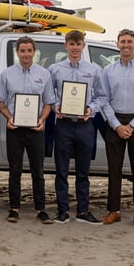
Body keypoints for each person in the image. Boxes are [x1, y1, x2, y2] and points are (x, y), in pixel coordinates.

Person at [48, 30, 107, 224]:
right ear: (65, 46)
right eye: (71, 44)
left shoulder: (94, 70)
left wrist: (91, 109)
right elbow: (49, 95)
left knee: (83, 171)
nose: (74, 48)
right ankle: (62, 211)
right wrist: (57, 106)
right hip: (63, 125)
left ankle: (83, 211)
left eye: (78, 44)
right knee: (61, 171)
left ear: (83, 46)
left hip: (84, 125)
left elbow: (102, 96)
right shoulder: (55, 69)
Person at [0, 36, 55, 224]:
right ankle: (14, 209)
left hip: (36, 129)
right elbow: (1, 103)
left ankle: (41, 209)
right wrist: (9, 117)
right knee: (15, 170)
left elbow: (48, 103)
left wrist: (42, 120)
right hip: (14, 128)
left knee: (38, 170)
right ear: (17, 52)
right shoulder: (7, 74)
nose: (26, 54)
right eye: (22, 50)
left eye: (29, 50)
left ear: (34, 51)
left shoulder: (44, 74)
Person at [101, 28, 134, 228]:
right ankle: (113, 210)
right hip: (114, 122)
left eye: (129, 41)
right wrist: (116, 125)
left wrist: (131, 125)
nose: (126, 45)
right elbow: (104, 99)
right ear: (117, 45)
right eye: (122, 41)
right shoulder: (108, 70)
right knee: (114, 170)